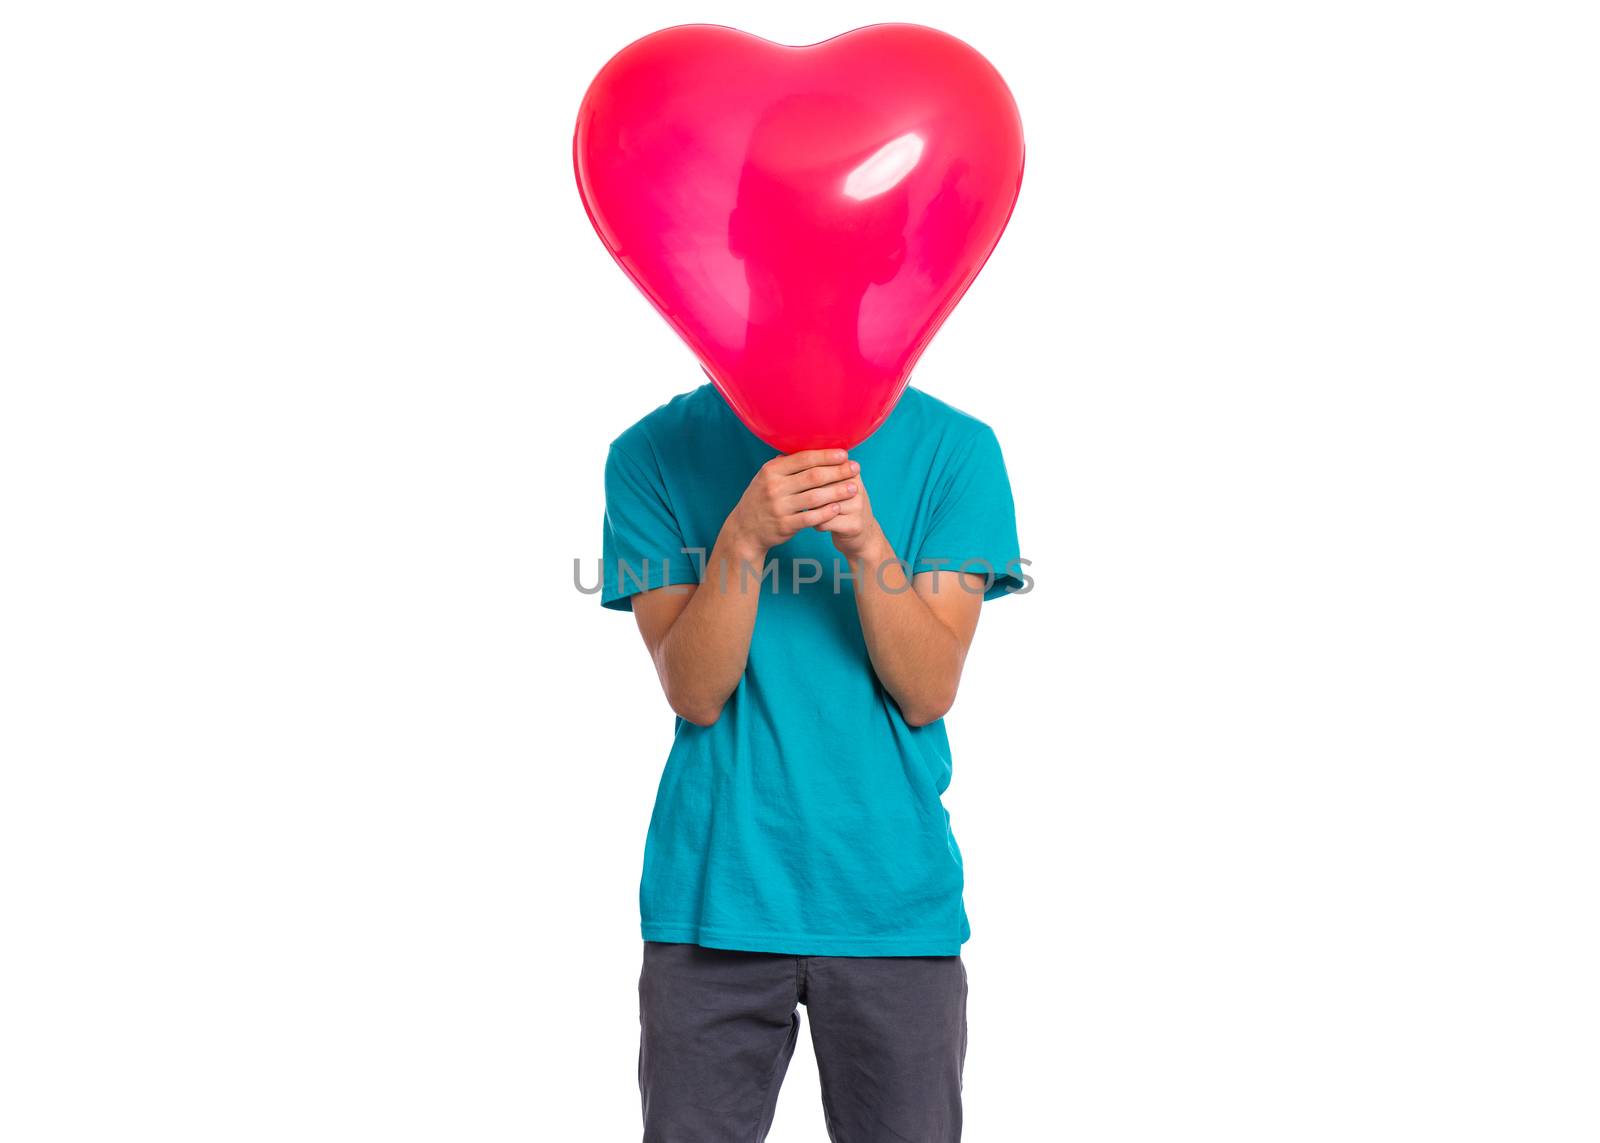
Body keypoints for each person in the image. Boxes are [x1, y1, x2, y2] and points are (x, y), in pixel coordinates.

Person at [600, 380, 1023, 1142]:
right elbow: (694, 691)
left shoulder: (957, 450)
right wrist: (743, 539)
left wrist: (866, 544)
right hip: (713, 900)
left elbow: (928, 689)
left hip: (893, 901)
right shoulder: (649, 454)